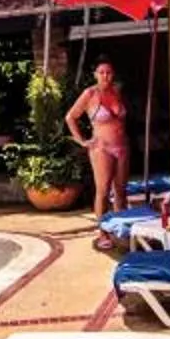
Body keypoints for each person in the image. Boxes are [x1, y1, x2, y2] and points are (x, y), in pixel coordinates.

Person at [67, 60, 131, 222]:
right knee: (103, 190)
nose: (105, 76)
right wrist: (81, 141)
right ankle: (103, 231)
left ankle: (120, 230)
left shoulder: (117, 91)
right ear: (95, 75)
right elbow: (70, 117)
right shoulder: (90, 94)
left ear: (113, 74)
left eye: (108, 72)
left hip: (122, 146)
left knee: (121, 191)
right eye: (101, 72)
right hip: (102, 148)